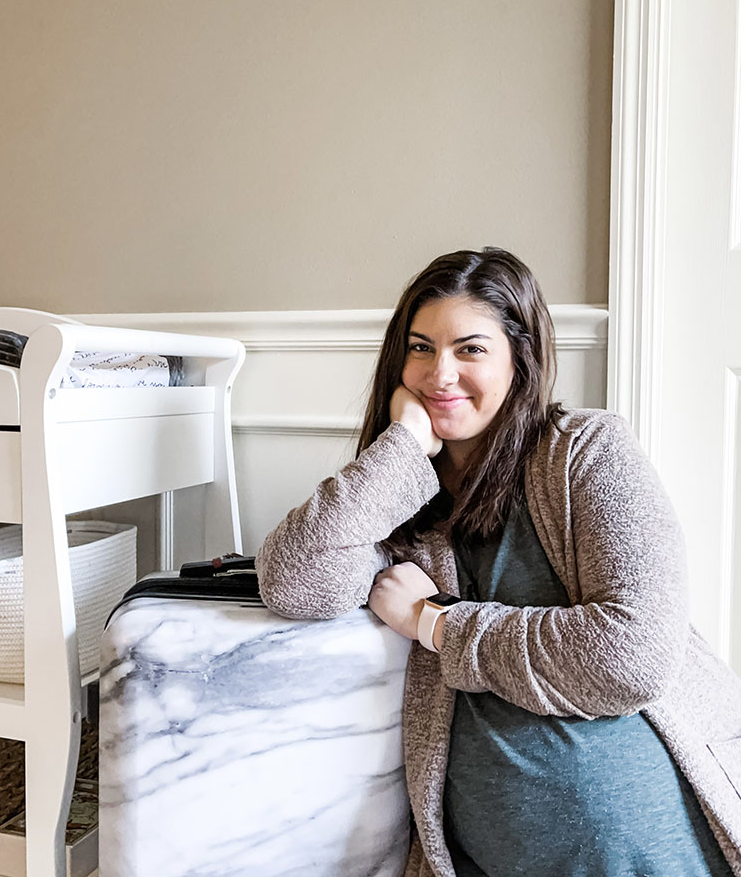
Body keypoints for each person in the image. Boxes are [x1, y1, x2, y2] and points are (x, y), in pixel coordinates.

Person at [256, 247, 741, 877]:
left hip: (638, 848)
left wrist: (436, 622)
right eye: (421, 348)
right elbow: (293, 582)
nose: (440, 375)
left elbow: (633, 656)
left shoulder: (587, 454)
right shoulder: (399, 497)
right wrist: (401, 448)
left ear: (521, 358)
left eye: (471, 349)